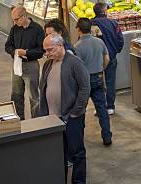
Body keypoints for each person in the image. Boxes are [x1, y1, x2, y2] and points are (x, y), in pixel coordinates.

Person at [37, 34, 90, 184]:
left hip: (71, 118)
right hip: (53, 118)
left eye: (50, 50)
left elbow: (85, 88)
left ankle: (79, 181)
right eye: (45, 51)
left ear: (60, 46)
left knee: (77, 152)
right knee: (59, 153)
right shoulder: (48, 64)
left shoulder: (74, 63)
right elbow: (43, 87)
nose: (47, 54)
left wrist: (75, 112)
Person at [75, 17, 112, 145]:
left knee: (81, 110)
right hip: (99, 77)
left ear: (78, 30)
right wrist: (101, 68)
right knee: (102, 108)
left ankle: (79, 138)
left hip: (85, 81)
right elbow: (107, 58)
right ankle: (107, 137)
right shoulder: (99, 42)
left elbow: (78, 67)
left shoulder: (77, 47)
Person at [4, 6, 45, 120]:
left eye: (16, 19)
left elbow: (41, 50)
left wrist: (26, 53)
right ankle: (19, 120)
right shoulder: (15, 29)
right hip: (17, 65)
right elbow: (8, 46)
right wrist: (15, 51)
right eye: (13, 20)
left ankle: (37, 121)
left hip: (31, 65)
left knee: (33, 96)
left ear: (24, 16)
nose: (15, 22)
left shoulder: (37, 29)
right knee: (16, 94)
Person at [92, 2, 124, 114]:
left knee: (97, 83)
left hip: (96, 59)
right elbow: (120, 40)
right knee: (110, 82)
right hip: (111, 57)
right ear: (105, 11)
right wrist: (116, 51)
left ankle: (99, 107)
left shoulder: (91, 24)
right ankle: (110, 106)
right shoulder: (113, 23)